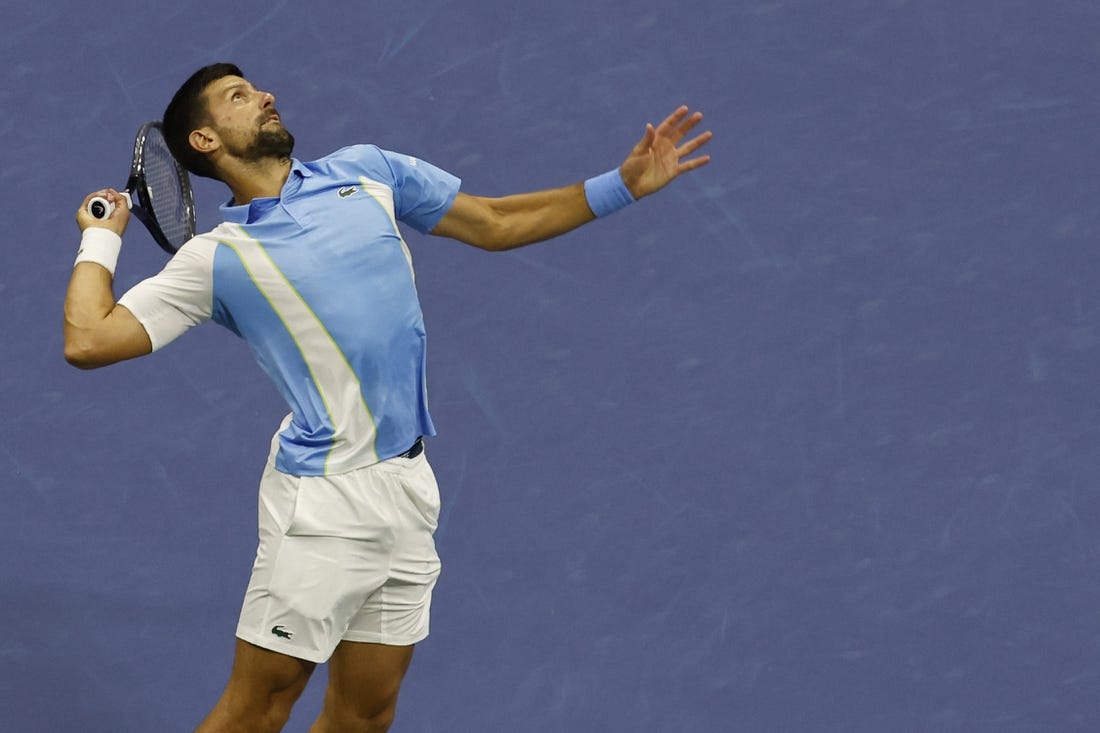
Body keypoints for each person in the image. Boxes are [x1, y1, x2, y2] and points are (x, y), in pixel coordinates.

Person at [63, 62, 712, 733]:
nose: (265, 95)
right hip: (323, 504)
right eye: (238, 97)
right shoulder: (216, 260)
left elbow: (491, 221)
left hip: (407, 485)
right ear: (205, 141)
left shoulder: (366, 171)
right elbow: (88, 338)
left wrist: (622, 186)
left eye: (255, 87)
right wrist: (100, 237)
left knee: (366, 714)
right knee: (257, 710)